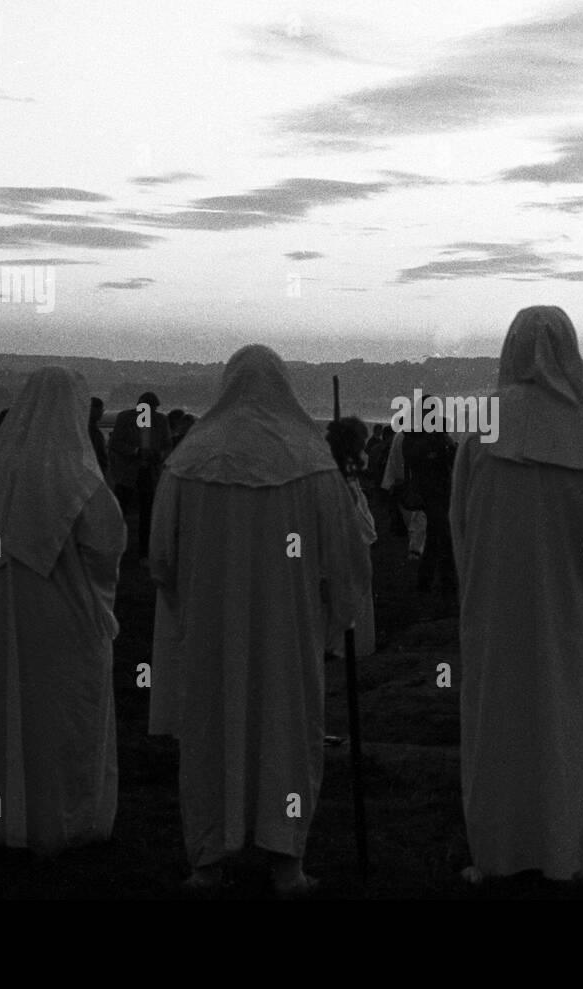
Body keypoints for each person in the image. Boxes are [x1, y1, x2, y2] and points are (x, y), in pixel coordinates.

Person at [147, 346, 368, 897]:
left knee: (208, 733)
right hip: (287, 633)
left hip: (210, 631)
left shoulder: (189, 459)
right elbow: (342, 561)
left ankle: (207, 861)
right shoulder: (312, 462)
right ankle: (285, 859)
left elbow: (161, 559)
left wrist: (187, 603)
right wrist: (333, 617)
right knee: (286, 731)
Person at [451, 306, 583, 883]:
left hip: (498, 605)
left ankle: (498, 852)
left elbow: (460, 520)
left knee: (497, 724)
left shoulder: (483, 428)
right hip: (572, 610)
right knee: (566, 723)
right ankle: (562, 852)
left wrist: (477, 582)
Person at [0, 367, 126, 856]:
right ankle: (68, 821)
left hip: (3, 619)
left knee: (9, 710)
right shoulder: (78, 478)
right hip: (66, 619)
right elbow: (106, 545)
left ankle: (10, 819)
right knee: (64, 718)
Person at [326, 415, 378, 656]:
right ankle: (349, 648)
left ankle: (356, 646)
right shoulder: (335, 471)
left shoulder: (346, 466)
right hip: (347, 539)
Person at [108, 391, 172, 558]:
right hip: (129, 473)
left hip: (148, 473)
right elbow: (115, 443)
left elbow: (167, 446)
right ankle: (115, 548)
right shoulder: (126, 418)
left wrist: (158, 456)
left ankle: (143, 551)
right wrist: (136, 451)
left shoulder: (160, 420)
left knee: (146, 514)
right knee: (121, 512)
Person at [403, 419, 457, 601]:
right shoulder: (423, 441)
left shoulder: (424, 439)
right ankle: (447, 586)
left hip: (436, 494)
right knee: (444, 539)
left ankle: (426, 582)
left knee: (435, 539)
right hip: (433, 495)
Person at [381, 428, 427, 558]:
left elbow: (392, 460)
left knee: (413, 516)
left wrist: (389, 482)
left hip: (402, 483)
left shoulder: (399, 436)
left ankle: (415, 548)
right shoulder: (424, 436)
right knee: (418, 516)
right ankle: (416, 549)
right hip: (416, 483)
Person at [87, 397, 109, 476]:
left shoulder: (87, 429)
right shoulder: (94, 432)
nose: (102, 412)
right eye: (101, 409)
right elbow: (101, 455)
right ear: (93, 410)